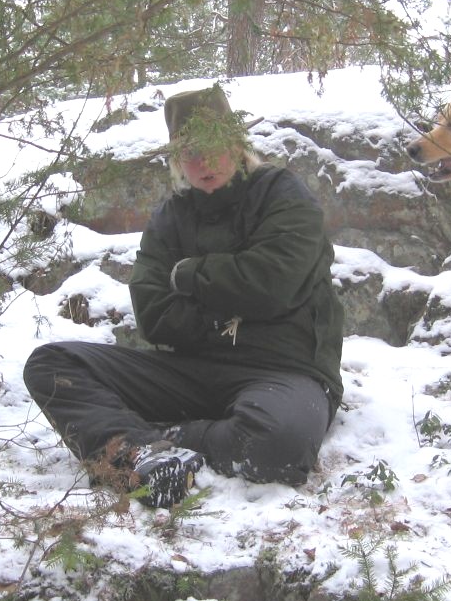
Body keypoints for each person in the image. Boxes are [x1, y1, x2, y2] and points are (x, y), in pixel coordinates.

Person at [23, 84, 345, 508]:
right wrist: (233, 313)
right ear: (176, 159)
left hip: (282, 370)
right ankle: (139, 453)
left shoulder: (283, 195)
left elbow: (272, 284)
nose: (204, 162)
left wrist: (190, 276)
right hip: (189, 372)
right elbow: (153, 314)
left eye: (213, 147)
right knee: (51, 364)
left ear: (237, 143)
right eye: (189, 152)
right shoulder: (171, 217)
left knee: (280, 446)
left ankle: (169, 436)